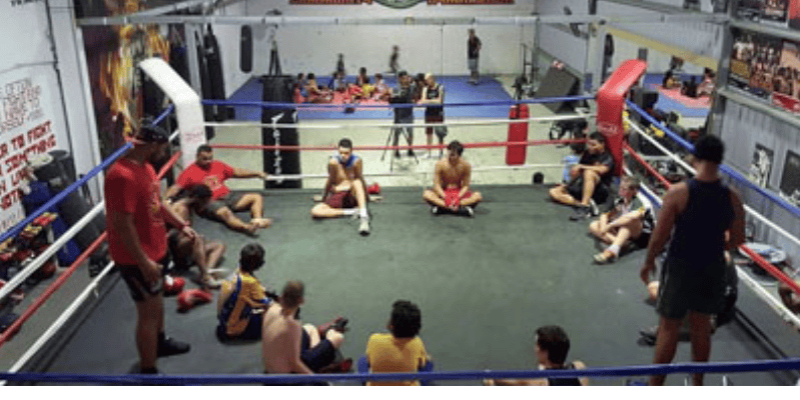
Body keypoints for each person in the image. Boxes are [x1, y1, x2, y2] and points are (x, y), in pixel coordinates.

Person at [639, 135, 746, 386]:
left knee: (669, 327)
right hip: (712, 267)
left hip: (680, 265)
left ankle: (655, 386)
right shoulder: (732, 196)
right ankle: (698, 384)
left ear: (695, 157)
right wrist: (715, 245)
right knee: (701, 327)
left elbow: (660, 235)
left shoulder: (679, 192)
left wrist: (648, 261)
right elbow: (738, 239)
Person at [105, 121, 193, 374]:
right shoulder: (122, 176)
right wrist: (143, 261)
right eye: (162, 148)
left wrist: (180, 224)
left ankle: (160, 342)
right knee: (148, 312)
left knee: (157, 302)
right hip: (136, 258)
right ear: (153, 146)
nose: (164, 153)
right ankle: (148, 370)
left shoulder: (146, 168)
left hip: (155, 250)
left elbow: (158, 203)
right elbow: (123, 225)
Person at [165, 145, 272, 235]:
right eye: (205, 159)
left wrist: (256, 173)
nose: (208, 161)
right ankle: (247, 227)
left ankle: (257, 220)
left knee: (256, 197)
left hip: (228, 196)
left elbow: (236, 172)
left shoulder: (217, 164)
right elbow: (176, 187)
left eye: (210, 158)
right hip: (210, 202)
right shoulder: (189, 172)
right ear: (197, 157)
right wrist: (165, 200)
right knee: (225, 212)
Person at [262, 280, 349, 374]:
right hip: (287, 376)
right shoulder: (293, 325)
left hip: (271, 369)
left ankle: (321, 358)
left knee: (309, 328)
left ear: (282, 296)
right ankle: (330, 332)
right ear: (301, 301)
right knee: (338, 337)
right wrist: (315, 378)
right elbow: (294, 364)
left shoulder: (271, 310)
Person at [485, 325, 588, 386]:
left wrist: (489, 380)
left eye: (537, 345)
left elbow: (515, 381)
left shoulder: (539, 382)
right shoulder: (579, 368)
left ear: (545, 352)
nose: (535, 349)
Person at [167, 184, 226, 289]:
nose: (205, 206)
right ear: (198, 200)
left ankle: (208, 271)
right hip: (176, 253)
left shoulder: (189, 205)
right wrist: (196, 240)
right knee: (198, 238)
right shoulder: (181, 209)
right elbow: (173, 236)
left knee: (219, 245)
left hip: (185, 248)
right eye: (205, 203)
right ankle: (206, 277)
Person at [216, 243, 276, 341]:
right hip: (234, 330)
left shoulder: (236, 273)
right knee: (275, 313)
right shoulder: (251, 282)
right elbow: (269, 304)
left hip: (223, 324)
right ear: (260, 264)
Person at [310, 138, 371, 236]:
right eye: (341, 153)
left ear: (351, 151)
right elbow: (330, 180)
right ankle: (352, 212)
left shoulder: (356, 161)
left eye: (346, 153)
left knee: (357, 182)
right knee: (315, 211)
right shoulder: (333, 163)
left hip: (351, 195)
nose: (343, 155)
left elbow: (360, 178)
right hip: (338, 196)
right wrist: (323, 197)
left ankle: (364, 219)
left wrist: (367, 197)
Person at [549, 132, 615, 220]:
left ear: (602, 144)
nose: (590, 147)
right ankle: (583, 205)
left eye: (593, 145)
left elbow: (603, 169)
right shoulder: (587, 153)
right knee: (554, 192)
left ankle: (584, 206)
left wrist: (582, 166)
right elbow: (579, 170)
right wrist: (567, 185)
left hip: (599, 191)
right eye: (589, 144)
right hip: (582, 187)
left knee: (589, 172)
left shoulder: (607, 156)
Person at [365, 300, 432, 386]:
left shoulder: (374, 339)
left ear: (391, 323)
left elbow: (369, 360)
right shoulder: (417, 342)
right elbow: (421, 364)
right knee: (427, 363)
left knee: (363, 360)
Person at [589, 176, 654, 264]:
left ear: (634, 191)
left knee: (628, 223)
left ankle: (610, 251)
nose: (620, 191)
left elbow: (632, 217)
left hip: (642, 234)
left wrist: (609, 226)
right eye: (620, 187)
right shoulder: (618, 197)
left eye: (624, 189)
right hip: (622, 229)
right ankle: (621, 244)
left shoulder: (642, 202)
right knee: (594, 225)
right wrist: (603, 227)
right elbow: (605, 214)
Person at [422, 140, 483, 217]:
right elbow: (436, 184)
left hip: (458, 192)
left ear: (459, 155)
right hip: (443, 192)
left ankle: (444, 208)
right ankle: (457, 208)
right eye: (448, 153)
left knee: (477, 196)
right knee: (426, 194)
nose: (449, 156)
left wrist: (458, 198)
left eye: (452, 155)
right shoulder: (440, 164)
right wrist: (445, 197)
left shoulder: (466, 165)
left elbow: (466, 186)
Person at [420, 73, 447, 158]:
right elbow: (423, 101)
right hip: (429, 113)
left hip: (438, 113)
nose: (426, 81)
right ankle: (429, 152)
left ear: (432, 79)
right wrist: (433, 101)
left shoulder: (440, 87)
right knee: (429, 133)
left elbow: (440, 101)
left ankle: (440, 151)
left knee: (440, 133)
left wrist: (428, 101)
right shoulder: (425, 88)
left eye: (427, 79)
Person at [390, 70, 415, 159]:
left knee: (410, 133)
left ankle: (410, 149)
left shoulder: (412, 87)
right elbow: (393, 101)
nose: (406, 79)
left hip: (409, 113)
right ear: (400, 79)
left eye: (407, 77)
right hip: (399, 115)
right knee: (397, 134)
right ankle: (396, 150)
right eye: (404, 78)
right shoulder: (396, 89)